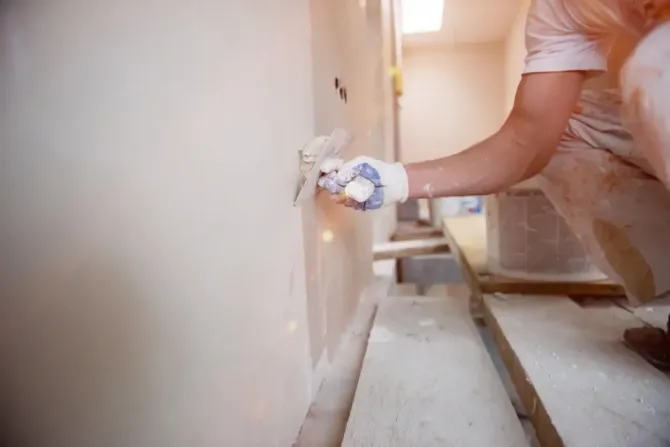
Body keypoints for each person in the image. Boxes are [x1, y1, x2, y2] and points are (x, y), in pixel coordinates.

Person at [318, 0, 670, 370]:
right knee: (564, 128)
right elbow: (527, 143)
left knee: (656, 66)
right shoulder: (560, 9)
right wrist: (393, 180)